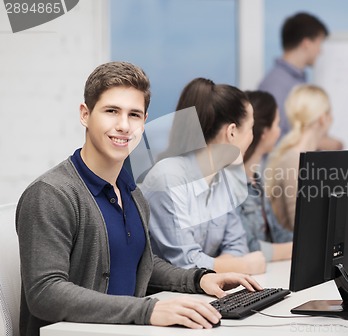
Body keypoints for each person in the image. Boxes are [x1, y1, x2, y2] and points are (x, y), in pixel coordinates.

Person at [15, 62, 262, 336]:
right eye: (111, 111)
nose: (123, 125)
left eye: (134, 115)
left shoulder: (131, 193)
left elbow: (141, 264)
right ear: (85, 114)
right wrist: (148, 311)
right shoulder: (51, 193)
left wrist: (199, 279)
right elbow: (45, 292)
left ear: (144, 122)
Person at [141, 78, 267, 275]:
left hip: (204, 292)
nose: (252, 137)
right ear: (232, 132)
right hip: (164, 298)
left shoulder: (225, 177)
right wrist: (241, 267)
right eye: (251, 128)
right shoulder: (168, 178)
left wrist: (222, 268)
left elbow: (237, 245)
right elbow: (185, 262)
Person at [265, 84, 348, 249]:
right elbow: (303, 228)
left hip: (310, 250)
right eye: (330, 114)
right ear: (322, 119)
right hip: (294, 257)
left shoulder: (306, 156)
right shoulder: (294, 160)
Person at [258, 12, 343, 150]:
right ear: (306, 44)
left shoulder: (297, 81)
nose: (320, 51)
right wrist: (319, 142)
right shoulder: (276, 84)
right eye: (319, 43)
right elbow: (271, 139)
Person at [237, 91, 293, 261]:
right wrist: (300, 249)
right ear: (264, 132)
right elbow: (249, 247)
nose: (279, 131)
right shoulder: (232, 184)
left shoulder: (256, 179)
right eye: (276, 124)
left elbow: (278, 234)